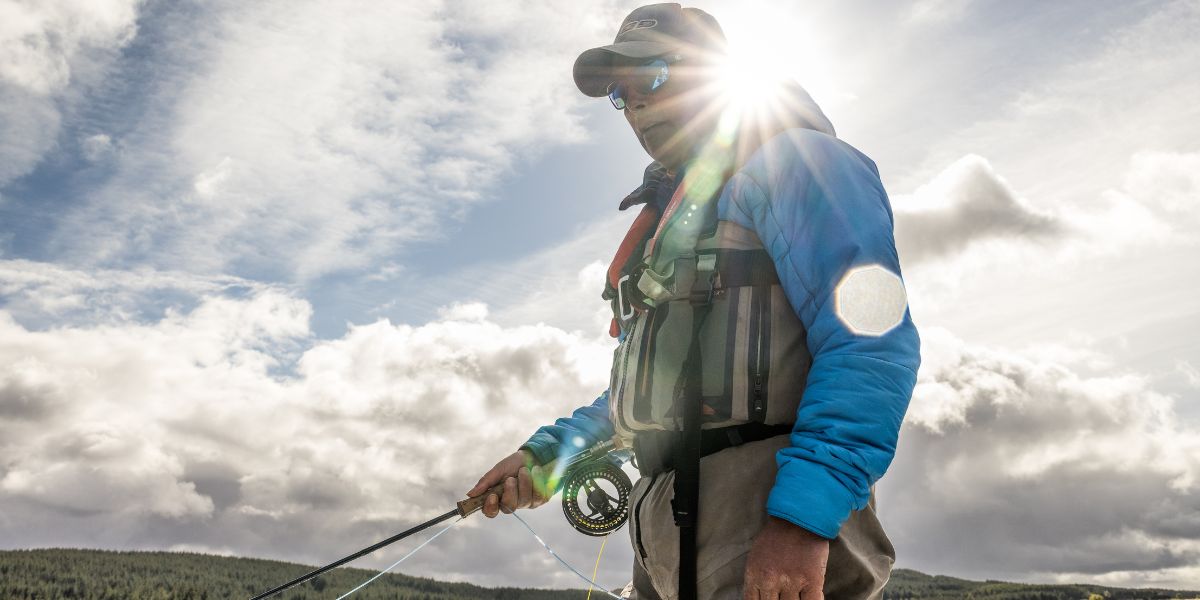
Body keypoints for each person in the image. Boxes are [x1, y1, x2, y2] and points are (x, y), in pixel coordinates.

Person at [466, 4, 920, 599]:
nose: (636, 106)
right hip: (665, 532)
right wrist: (545, 456)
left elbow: (871, 345)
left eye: (650, 78)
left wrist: (802, 520)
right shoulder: (676, 216)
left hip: (761, 524)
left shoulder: (802, 164)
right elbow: (654, 389)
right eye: (621, 94)